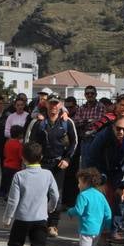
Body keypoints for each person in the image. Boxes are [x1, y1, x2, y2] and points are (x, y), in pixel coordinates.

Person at [3, 141, 60, 246]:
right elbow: (55, 195)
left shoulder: (19, 176)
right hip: (41, 218)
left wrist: (8, 218)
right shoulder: (47, 174)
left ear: (23, 158)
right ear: (41, 157)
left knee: (15, 245)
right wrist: (50, 208)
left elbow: (13, 200)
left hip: (22, 218)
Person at [28, 94, 78, 237]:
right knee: (39, 195)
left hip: (58, 164)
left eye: (56, 103)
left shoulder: (67, 122)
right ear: (46, 104)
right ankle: (40, 223)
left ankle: (53, 225)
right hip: (41, 164)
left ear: (61, 104)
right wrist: (33, 161)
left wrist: (67, 159)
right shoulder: (38, 122)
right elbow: (31, 143)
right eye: (51, 103)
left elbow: (74, 142)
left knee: (56, 195)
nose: (53, 106)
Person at [84, 116, 124, 246]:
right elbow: (91, 158)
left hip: (118, 171)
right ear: (113, 127)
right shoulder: (103, 136)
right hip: (100, 169)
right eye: (118, 128)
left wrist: (123, 184)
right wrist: (98, 181)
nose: (121, 132)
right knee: (103, 202)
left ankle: (113, 230)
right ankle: (101, 235)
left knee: (120, 199)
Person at [68, 167, 111, 246]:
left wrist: (70, 212)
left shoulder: (83, 195)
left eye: (79, 182)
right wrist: (107, 226)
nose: (78, 185)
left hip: (86, 229)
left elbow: (79, 210)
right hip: (98, 230)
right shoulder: (100, 195)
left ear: (86, 182)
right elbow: (108, 213)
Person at [0, 124, 25, 200]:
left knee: (7, 183)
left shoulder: (7, 142)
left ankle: (6, 194)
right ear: (20, 134)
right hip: (15, 167)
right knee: (14, 185)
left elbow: (4, 154)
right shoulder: (19, 145)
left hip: (6, 166)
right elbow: (21, 157)